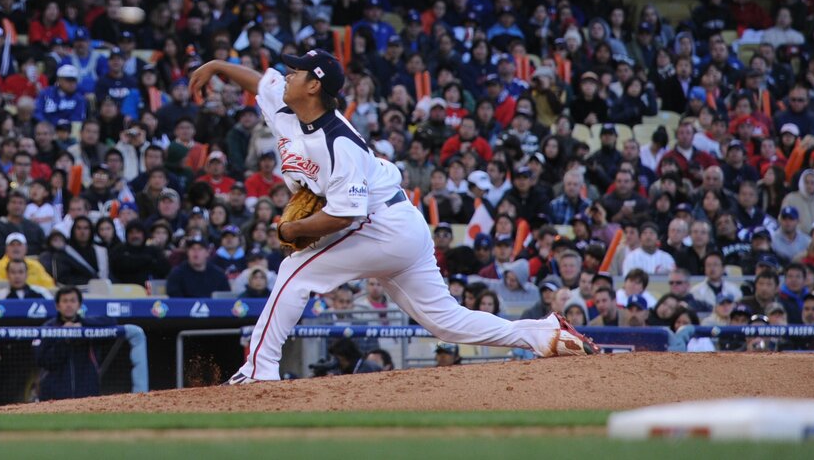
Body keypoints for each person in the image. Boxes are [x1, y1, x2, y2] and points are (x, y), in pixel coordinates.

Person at [188, 50, 595, 384]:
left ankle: (258, 370)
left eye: (295, 71)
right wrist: (218, 67)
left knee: (296, 270)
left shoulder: (338, 143)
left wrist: (293, 228)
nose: (286, 75)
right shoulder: (288, 104)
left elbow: (345, 216)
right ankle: (541, 333)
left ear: (314, 86)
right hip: (398, 224)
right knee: (447, 323)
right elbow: (262, 81)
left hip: (381, 225)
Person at [34, 286, 102, 401]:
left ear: (79, 305)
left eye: (72, 301)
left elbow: (111, 321)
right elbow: (42, 360)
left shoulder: (89, 324)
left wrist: (81, 324)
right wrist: (64, 337)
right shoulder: (47, 328)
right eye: (65, 301)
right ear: (57, 306)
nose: (69, 305)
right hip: (54, 394)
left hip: (86, 391)